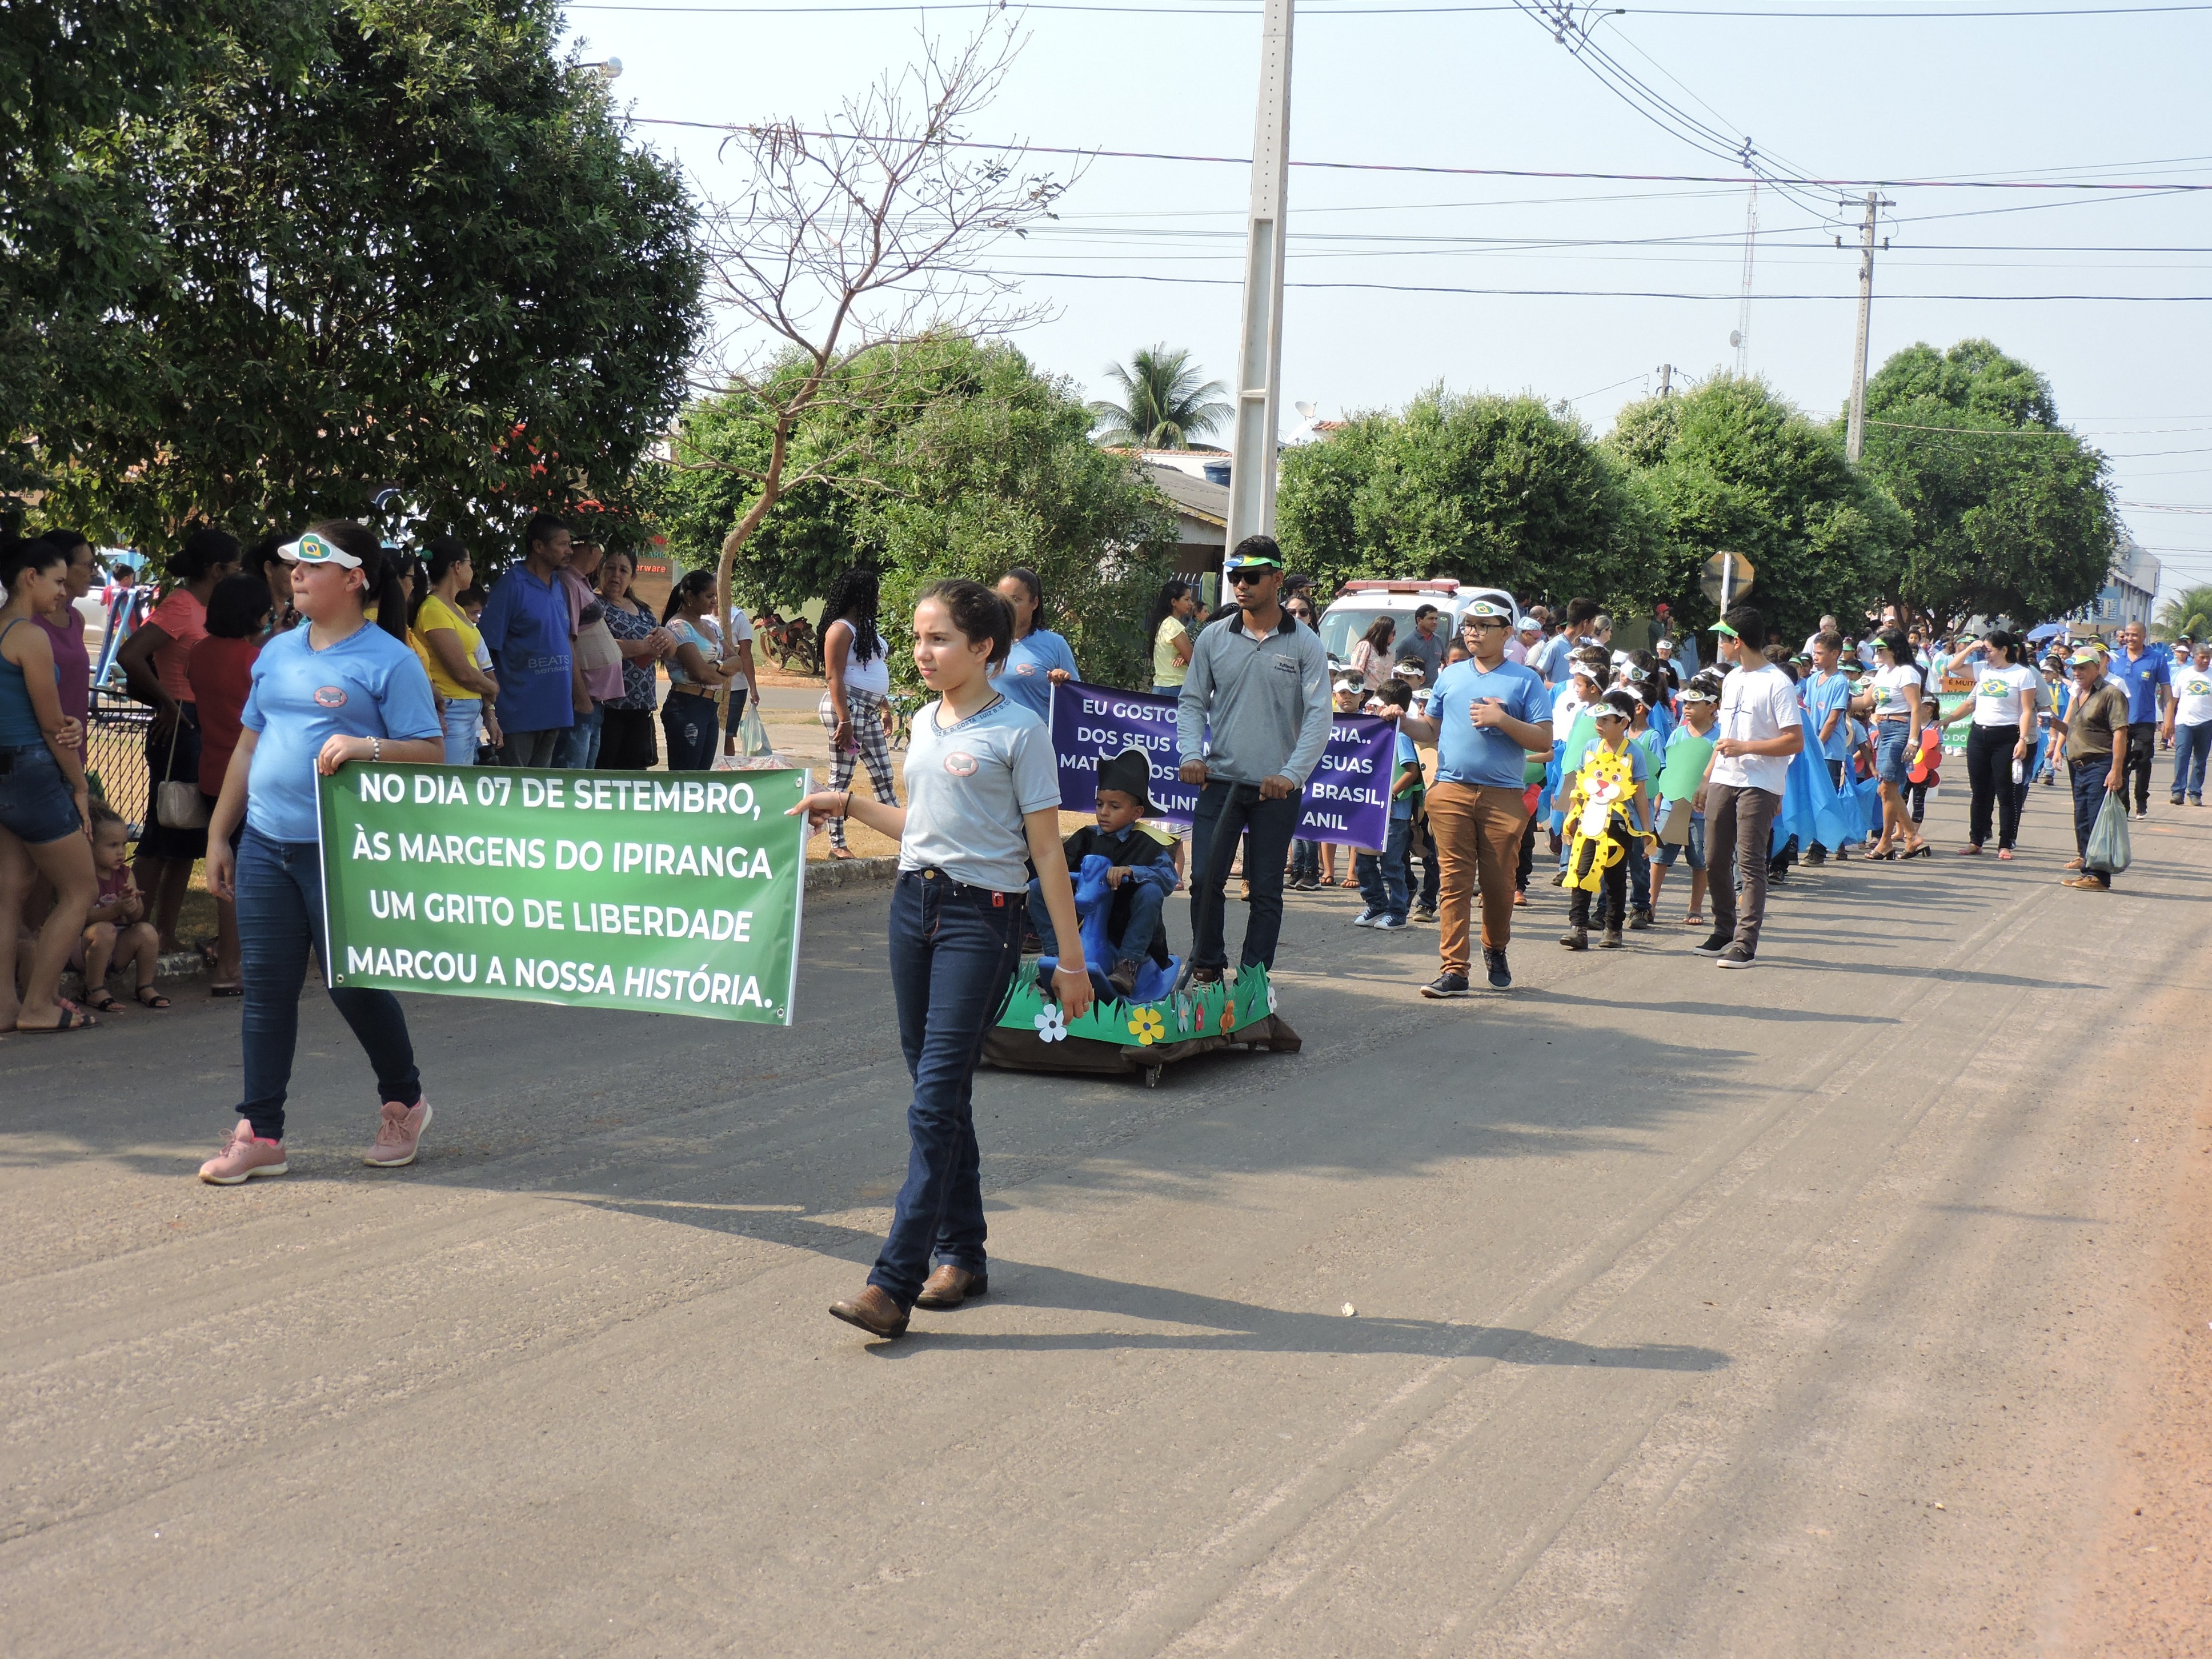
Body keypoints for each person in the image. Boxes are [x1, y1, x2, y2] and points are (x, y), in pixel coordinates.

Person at [790, 578, 1091, 1340]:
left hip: (981, 918)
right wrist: (851, 805)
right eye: (917, 638)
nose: (921, 653)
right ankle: (965, 1252)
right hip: (910, 907)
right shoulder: (924, 722)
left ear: (983, 647)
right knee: (937, 1088)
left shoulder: (1020, 731)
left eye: (939, 640)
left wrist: (1072, 962)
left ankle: (894, 1280)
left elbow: (1048, 853)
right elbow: (923, 825)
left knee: (933, 1097)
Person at [197, 523, 444, 1185]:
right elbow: (248, 748)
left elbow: (431, 749)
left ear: (355, 577)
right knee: (266, 995)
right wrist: (221, 835)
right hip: (265, 847)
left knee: (353, 985)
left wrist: (365, 747)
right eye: (291, 567)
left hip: (344, 854)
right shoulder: (275, 652)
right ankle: (261, 1133)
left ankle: (404, 1103)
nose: (295, 576)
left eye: (312, 566)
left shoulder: (389, 659)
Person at [1176, 536, 1332, 985]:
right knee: (1205, 880)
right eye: (1234, 576)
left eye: (1252, 577)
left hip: (1274, 789)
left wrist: (1291, 774)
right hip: (1221, 780)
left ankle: (1253, 980)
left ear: (1277, 579)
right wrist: (1191, 754)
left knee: (1265, 889)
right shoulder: (1212, 637)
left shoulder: (1304, 644)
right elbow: (1190, 703)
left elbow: (1320, 716)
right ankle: (1207, 965)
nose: (1240, 585)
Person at [1394, 597, 1550, 995]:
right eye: (1468, 625)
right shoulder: (1449, 676)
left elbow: (1544, 738)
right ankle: (1455, 970)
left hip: (1503, 795)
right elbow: (1431, 730)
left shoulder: (1525, 680)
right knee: (1454, 882)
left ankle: (1495, 947)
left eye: (1484, 625)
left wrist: (1503, 720)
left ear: (1507, 633)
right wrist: (1402, 722)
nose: (1473, 632)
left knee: (1499, 886)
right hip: (1450, 791)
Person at [117, 526, 240, 951]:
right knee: (163, 833)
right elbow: (129, 654)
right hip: (182, 724)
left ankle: (163, 934)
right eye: (236, 567)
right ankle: (132, 930)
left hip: (201, 723)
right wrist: (167, 702)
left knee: (186, 837)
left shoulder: (208, 609)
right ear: (217, 570)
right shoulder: (181, 606)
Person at [1, 535, 99, 1032]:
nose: (65, 591)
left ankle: (5, 1004)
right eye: (58, 581)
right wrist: (79, 785)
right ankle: (39, 1004)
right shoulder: (29, 635)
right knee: (81, 888)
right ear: (29, 577)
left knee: (10, 887)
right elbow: (50, 724)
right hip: (32, 771)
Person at [1691, 605, 1804, 969]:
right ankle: (1724, 928)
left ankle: (1745, 943)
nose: (1719, 645)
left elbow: (1794, 741)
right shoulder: (1733, 679)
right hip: (1725, 777)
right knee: (1713, 857)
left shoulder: (1778, 683)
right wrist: (1708, 776)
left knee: (1751, 863)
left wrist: (1747, 748)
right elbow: (1726, 736)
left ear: (1736, 642)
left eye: (1722, 639)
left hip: (1760, 782)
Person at [1039, 747, 1179, 999]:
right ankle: (1056, 952)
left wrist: (1132, 871)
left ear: (1137, 813)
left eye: (1114, 806)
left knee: (1151, 892)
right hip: (1086, 920)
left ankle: (1128, 965)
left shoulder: (1149, 842)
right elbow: (1058, 868)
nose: (1104, 812)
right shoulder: (1085, 837)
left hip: (1127, 926)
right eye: (1099, 804)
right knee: (1039, 886)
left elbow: (1169, 879)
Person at [189, 573, 270, 997]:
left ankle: (229, 959)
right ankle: (229, 967)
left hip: (210, 771)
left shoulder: (200, 652)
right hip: (246, 777)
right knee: (241, 880)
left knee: (224, 872)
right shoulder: (252, 660)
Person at [479, 514, 575, 767]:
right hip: (519, 713)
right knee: (516, 793)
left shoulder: (557, 585)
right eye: (562, 544)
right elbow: (485, 651)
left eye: (570, 544)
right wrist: (490, 710)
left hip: (555, 710)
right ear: (539, 546)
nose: (569, 551)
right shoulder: (511, 586)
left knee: (539, 792)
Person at [1558, 692, 1652, 951]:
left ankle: (1613, 928)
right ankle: (1578, 927)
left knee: (1614, 876)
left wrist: (1647, 832)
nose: (1599, 724)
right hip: (1590, 819)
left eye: (1606, 720)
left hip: (1619, 823)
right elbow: (1579, 786)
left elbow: (1641, 794)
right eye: (1597, 719)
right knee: (1582, 871)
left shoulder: (1634, 753)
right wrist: (1571, 816)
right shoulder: (1591, 747)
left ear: (1623, 722)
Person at [818, 567, 899, 858]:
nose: (877, 598)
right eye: (873, 592)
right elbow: (833, 676)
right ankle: (837, 844)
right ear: (860, 595)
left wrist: (884, 706)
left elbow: (873, 668)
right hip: (848, 709)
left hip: (868, 708)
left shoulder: (865, 626)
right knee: (841, 776)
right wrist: (845, 721)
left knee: (884, 774)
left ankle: (907, 839)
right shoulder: (840, 629)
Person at [1941, 630, 2039, 859]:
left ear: (2004, 650)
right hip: (1978, 734)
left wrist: (2023, 740)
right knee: (1979, 792)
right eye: (1984, 650)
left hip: (2006, 736)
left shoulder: (2022, 674)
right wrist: (1969, 649)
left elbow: (2026, 711)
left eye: (1989, 650)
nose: (1986, 655)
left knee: (2006, 793)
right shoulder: (1983, 670)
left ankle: (2006, 843)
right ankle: (1976, 839)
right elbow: (1953, 668)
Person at [410, 537, 503, 766]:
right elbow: (461, 671)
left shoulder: (457, 608)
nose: (472, 570)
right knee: (455, 789)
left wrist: (489, 710)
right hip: (452, 712)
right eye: (470, 564)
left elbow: (476, 659)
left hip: (470, 712)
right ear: (457, 567)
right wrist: (493, 688)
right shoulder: (434, 610)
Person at [2050, 646, 2130, 893]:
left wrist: (2116, 771)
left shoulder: (2111, 694)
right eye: (2074, 668)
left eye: (2083, 667)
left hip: (2101, 764)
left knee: (2097, 820)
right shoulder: (2080, 695)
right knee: (2083, 818)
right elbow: (2073, 731)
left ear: (2098, 667)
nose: (2077, 672)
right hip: (2080, 766)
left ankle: (2099, 876)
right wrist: (2054, 724)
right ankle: (2088, 867)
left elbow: (2120, 734)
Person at [75, 804, 166, 1013]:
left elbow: (137, 916)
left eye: (124, 845)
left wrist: (132, 904)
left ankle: (144, 986)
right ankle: (94, 989)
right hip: (84, 946)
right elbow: (83, 917)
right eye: (112, 845)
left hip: (114, 945)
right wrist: (116, 909)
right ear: (90, 844)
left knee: (147, 931)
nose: (121, 852)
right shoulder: (84, 875)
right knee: (104, 930)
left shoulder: (125, 874)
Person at [659, 569, 745, 772]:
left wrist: (717, 668)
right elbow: (700, 674)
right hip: (686, 707)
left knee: (703, 776)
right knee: (686, 776)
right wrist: (722, 672)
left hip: (709, 708)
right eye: (709, 596)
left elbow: (738, 662)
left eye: (715, 595)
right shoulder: (679, 627)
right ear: (690, 596)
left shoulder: (710, 626)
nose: (715, 600)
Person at [1854, 630, 1930, 860]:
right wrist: (1835, 702)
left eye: (1881, 649)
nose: (1877, 653)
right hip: (1884, 729)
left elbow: (1915, 707)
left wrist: (1914, 740)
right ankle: (1911, 835)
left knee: (1887, 788)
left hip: (1901, 729)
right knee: (1886, 788)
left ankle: (1887, 841)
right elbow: (1866, 701)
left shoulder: (1906, 672)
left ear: (1895, 649)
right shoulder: (1882, 673)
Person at [1649, 675, 1718, 925]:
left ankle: (1695, 908)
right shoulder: (1677, 734)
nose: (1686, 708)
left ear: (1712, 707)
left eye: (1693, 703)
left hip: (1702, 811)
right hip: (1672, 805)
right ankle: (1650, 903)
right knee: (1659, 857)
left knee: (1700, 860)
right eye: (1685, 703)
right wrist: (1659, 799)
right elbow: (1667, 769)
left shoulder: (1719, 739)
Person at [1352, 680, 1418, 931]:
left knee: (1392, 863)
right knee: (1364, 861)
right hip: (1371, 811)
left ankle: (1397, 911)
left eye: (1376, 705)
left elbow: (1411, 771)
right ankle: (1376, 903)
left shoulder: (1399, 735)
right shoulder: (1377, 734)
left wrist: (1390, 794)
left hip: (1395, 812)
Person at [597, 550, 671, 770]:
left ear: (633, 577)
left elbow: (666, 651)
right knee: (605, 772)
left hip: (640, 708)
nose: (616, 575)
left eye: (623, 570)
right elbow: (600, 647)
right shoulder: (593, 605)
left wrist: (668, 639)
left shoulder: (643, 610)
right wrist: (645, 646)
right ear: (600, 570)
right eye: (610, 568)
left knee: (634, 775)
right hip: (608, 708)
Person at [31, 530, 95, 769]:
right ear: (61, 567)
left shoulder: (76, 619)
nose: (94, 572)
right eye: (88, 565)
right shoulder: (27, 623)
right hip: (35, 754)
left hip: (72, 750)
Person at [992, 566, 1079, 723]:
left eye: (1016, 599)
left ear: (1034, 603)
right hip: (989, 740)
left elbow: (1076, 701)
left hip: (1034, 741)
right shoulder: (984, 643)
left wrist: (1064, 683)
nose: (1008, 606)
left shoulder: (1055, 645)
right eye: (1003, 599)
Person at [2103, 621, 2171, 819]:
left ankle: (2141, 799)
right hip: (2117, 720)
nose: (2130, 639)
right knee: (2120, 761)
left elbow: (2166, 691)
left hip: (2144, 719)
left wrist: (2168, 719)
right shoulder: (2114, 658)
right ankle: (2123, 805)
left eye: (2135, 635)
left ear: (2144, 637)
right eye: (2128, 635)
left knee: (2143, 760)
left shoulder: (2156, 659)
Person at [1800, 631, 1853, 866]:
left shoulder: (1840, 682)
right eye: (1815, 653)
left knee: (1826, 799)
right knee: (1809, 797)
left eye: (1820, 654)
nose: (1816, 658)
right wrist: (1809, 741)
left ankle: (1819, 851)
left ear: (1835, 654)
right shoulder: (1812, 681)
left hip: (1829, 751)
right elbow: (1809, 711)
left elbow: (1833, 718)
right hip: (1812, 748)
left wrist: (1819, 743)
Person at [2164, 639, 2212, 805]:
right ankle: (2178, 791)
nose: (2206, 660)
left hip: (2207, 723)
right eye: (2202, 657)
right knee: (2182, 756)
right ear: (2194, 656)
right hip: (2185, 722)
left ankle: (2195, 792)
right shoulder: (2184, 674)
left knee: (2200, 760)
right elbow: (2173, 699)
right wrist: (2169, 721)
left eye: (2208, 657)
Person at [718, 599, 761, 758]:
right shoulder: (702, 619)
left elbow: (746, 655)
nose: (714, 601)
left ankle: (727, 769)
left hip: (735, 688)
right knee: (711, 733)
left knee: (727, 734)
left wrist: (753, 688)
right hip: (708, 686)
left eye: (716, 596)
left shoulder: (738, 618)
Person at [1148, 579, 1199, 698]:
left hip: (1161, 686)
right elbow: (1193, 659)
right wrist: (1185, 655)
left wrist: (1183, 655)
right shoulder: (1173, 625)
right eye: (1187, 599)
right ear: (1174, 602)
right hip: (1176, 687)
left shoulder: (1163, 623)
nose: (1191, 604)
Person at [1349, 616, 1396, 693]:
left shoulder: (1389, 652)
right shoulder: (1365, 646)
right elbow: (1356, 672)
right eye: (1393, 633)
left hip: (1383, 693)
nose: (1394, 636)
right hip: (1366, 692)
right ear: (1384, 633)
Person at [1403, 604, 1447, 683]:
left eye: (1436, 619)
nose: (1435, 622)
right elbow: (1399, 671)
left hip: (1434, 690)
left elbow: (1445, 661)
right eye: (1431, 619)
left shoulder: (1438, 640)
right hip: (1415, 692)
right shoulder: (1407, 643)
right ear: (1419, 620)